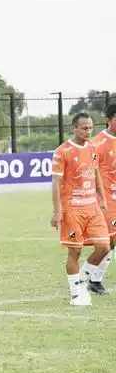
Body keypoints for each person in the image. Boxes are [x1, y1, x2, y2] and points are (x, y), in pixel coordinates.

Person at [52, 112, 110, 305]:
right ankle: (76, 294)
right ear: (74, 128)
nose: (88, 131)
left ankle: (83, 278)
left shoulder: (93, 147)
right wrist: (58, 210)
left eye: (90, 128)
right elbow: (56, 182)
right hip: (72, 209)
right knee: (74, 252)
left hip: (92, 206)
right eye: (84, 128)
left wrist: (102, 197)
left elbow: (95, 173)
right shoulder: (63, 151)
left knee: (104, 246)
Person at [90, 103, 116, 292]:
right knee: (110, 240)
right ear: (109, 119)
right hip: (107, 199)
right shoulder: (98, 143)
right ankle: (92, 279)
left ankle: (93, 279)